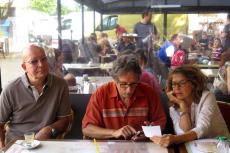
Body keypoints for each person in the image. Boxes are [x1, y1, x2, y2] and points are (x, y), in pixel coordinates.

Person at [0, 44, 72, 148]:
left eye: (44, 59)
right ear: (24, 67)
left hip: (46, 144)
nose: (41, 64)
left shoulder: (60, 85)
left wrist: (48, 130)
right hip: (17, 144)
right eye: (34, 61)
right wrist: (2, 147)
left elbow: (65, 120)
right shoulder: (11, 89)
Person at [82, 55, 166, 140]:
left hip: (141, 146)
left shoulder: (149, 92)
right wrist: (114, 132)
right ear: (114, 81)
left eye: (133, 84)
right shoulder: (101, 94)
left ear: (138, 79)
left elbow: (161, 122)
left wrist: (148, 133)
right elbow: (87, 128)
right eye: (123, 84)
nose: (129, 90)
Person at [151, 66, 229, 147]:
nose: (177, 88)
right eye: (174, 84)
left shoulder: (207, 96)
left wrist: (175, 139)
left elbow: (202, 129)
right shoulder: (174, 104)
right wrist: (182, 105)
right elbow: (183, 132)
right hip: (194, 148)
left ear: (193, 84)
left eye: (182, 83)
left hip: (220, 145)